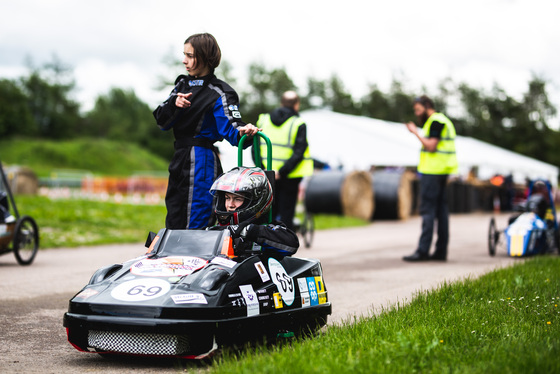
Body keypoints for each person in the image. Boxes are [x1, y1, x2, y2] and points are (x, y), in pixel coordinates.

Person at [153, 33, 259, 230]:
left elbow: (232, 127)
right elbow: (161, 121)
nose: (184, 60)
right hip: (179, 157)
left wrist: (245, 131)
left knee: (197, 217)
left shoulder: (220, 91)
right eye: (184, 54)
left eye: (190, 56)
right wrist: (174, 104)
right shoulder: (181, 85)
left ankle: (196, 258)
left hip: (201, 158)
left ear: (204, 57)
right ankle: (173, 259)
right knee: (174, 215)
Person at [403, 95, 458, 262]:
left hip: (433, 172)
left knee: (428, 211)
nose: (417, 113)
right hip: (442, 171)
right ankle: (440, 252)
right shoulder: (441, 121)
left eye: (419, 110)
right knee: (441, 212)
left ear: (427, 106)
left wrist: (415, 133)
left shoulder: (436, 121)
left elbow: (431, 146)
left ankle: (423, 251)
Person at [210, 166, 299, 257]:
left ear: (254, 202)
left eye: (237, 199)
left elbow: (292, 244)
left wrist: (248, 231)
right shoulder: (219, 228)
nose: (230, 205)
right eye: (227, 198)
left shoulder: (266, 227)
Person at [255, 91, 313, 230]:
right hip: (289, 176)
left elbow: (255, 148)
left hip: (266, 174)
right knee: (287, 213)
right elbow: (299, 152)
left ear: (281, 103)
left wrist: (264, 169)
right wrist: (281, 172)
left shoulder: (263, 120)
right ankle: (284, 243)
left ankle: (266, 241)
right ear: (296, 105)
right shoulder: (298, 123)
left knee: (268, 212)